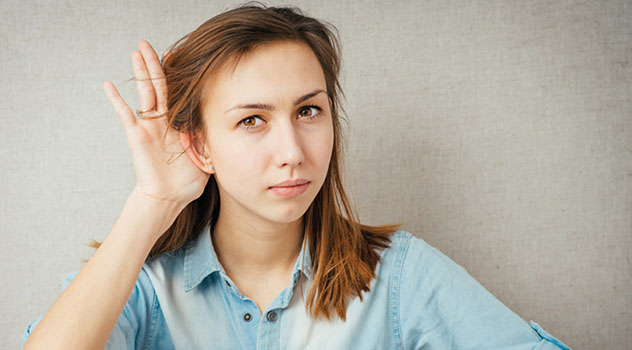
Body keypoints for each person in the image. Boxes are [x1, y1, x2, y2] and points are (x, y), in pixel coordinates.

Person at [22, 3, 571, 349]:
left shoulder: (402, 279)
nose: (292, 152)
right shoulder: (143, 288)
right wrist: (152, 200)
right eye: (252, 120)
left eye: (309, 111)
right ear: (199, 144)